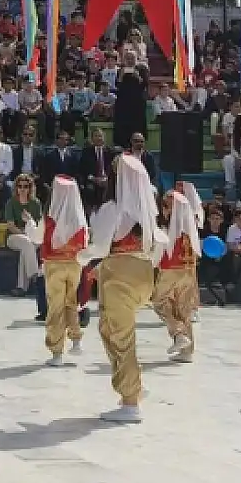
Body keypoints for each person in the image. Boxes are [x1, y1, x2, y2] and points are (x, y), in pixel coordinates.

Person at [80, 152, 166, 423]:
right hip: (143, 272)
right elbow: (160, 245)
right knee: (109, 328)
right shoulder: (147, 211)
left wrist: (80, 257)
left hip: (119, 275)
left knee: (120, 335)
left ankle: (131, 401)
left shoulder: (112, 208)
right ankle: (134, 384)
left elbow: (101, 246)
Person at [38, 176, 89, 362]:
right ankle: (76, 340)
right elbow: (85, 243)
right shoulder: (80, 219)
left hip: (54, 264)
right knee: (71, 301)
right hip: (74, 264)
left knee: (55, 306)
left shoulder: (50, 218)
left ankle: (56, 350)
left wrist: (30, 225)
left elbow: (37, 237)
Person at [154, 182, 204, 362]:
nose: (164, 210)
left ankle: (178, 333)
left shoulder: (169, 230)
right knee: (184, 309)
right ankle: (187, 351)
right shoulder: (191, 234)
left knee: (160, 303)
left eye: (166, 207)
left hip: (169, 271)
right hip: (188, 273)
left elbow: (159, 253)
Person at [3, 174, 44, 294]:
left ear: (30, 188)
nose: (22, 189)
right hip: (13, 237)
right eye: (19, 186)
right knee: (26, 243)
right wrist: (25, 233)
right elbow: (11, 225)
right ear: (16, 188)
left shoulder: (35, 203)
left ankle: (21, 288)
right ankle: (36, 276)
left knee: (26, 249)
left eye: (25, 186)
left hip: (33, 237)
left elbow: (39, 224)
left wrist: (30, 220)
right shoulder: (11, 203)